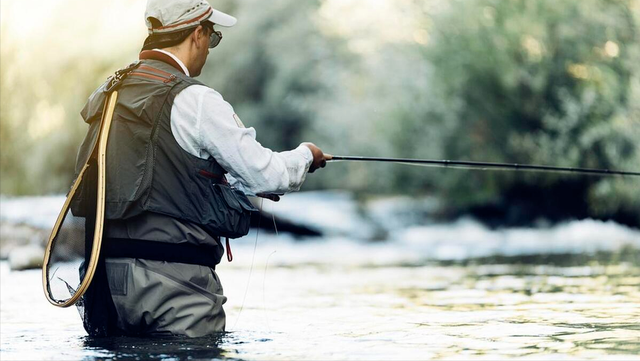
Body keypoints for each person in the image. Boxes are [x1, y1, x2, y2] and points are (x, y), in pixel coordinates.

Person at [75, 0, 329, 337]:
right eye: (213, 37)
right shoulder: (195, 100)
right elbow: (265, 174)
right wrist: (305, 157)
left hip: (102, 282)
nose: (210, 48)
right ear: (198, 34)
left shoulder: (111, 91)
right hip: (173, 284)